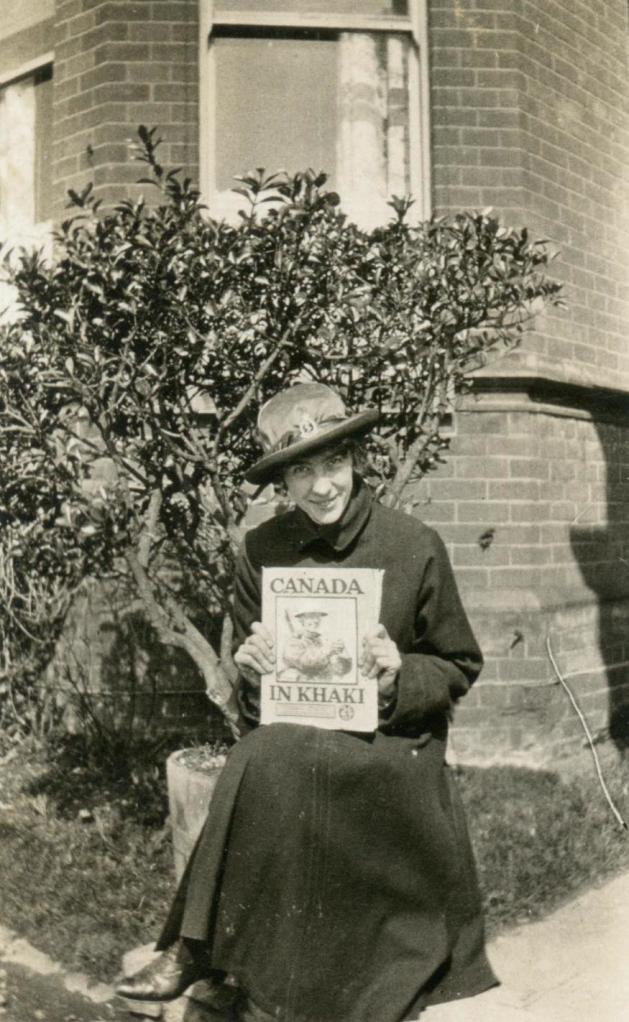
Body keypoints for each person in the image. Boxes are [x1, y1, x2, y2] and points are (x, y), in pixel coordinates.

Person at [116, 382, 498, 1021]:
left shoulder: (413, 544)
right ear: (282, 484)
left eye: (334, 464)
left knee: (312, 770)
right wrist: (253, 670)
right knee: (255, 756)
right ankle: (192, 948)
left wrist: (397, 678)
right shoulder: (264, 550)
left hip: (391, 737)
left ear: (356, 460)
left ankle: (246, 962)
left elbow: (459, 663)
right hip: (298, 731)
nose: (323, 487)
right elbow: (260, 705)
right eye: (302, 472)